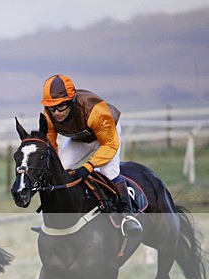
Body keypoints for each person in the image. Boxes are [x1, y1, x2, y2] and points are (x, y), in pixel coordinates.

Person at [41, 74, 142, 236]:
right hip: (79, 138)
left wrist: (88, 166)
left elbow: (109, 145)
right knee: (61, 170)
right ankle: (61, 219)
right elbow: (51, 146)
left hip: (107, 136)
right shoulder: (49, 114)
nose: (57, 113)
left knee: (108, 172)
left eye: (61, 107)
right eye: (52, 108)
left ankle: (128, 216)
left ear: (71, 101)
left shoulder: (95, 110)